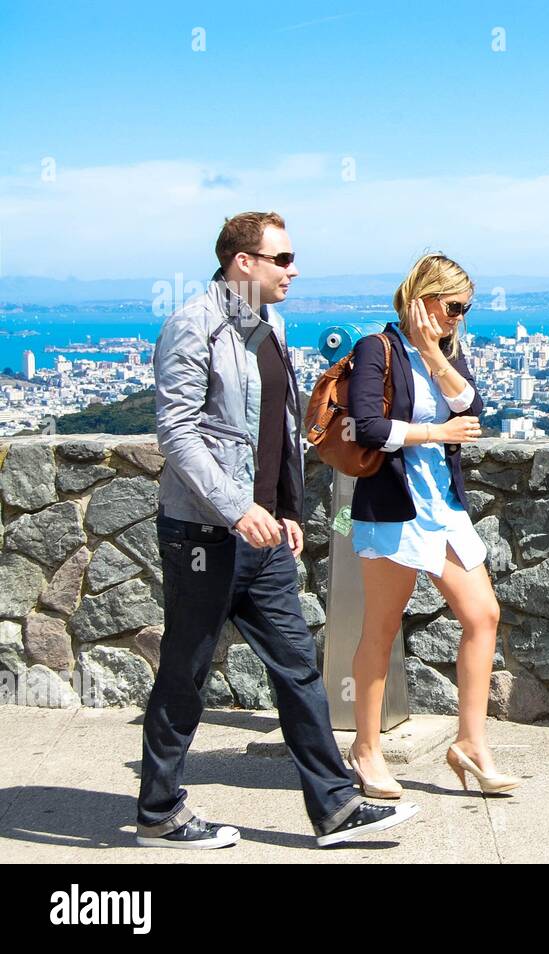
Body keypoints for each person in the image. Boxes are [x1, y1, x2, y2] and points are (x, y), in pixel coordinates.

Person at [139, 212, 418, 849]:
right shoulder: (192, 326)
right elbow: (178, 435)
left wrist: (287, 509)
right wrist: (238, 507)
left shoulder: (274, 327)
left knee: (297, 668)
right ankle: (159, 811)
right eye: (282, 259)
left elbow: (279, 432)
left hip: (263, 535)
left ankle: (336, 807)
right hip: (205, 534)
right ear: (244, 262)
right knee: (186, 670)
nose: (293, 271)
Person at [346, 253, 521, 797]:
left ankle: (470, 743)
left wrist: (432, 349)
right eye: (452, 307)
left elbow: (471, 403)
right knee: (383, 625)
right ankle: (366, 749)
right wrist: (433, 436)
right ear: (423, 299)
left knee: (483, 614)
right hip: (395, 508)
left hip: (442, 508)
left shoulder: (441, 351)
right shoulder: (375, 348)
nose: (458, 318)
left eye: (465, 309)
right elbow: (367, 426)